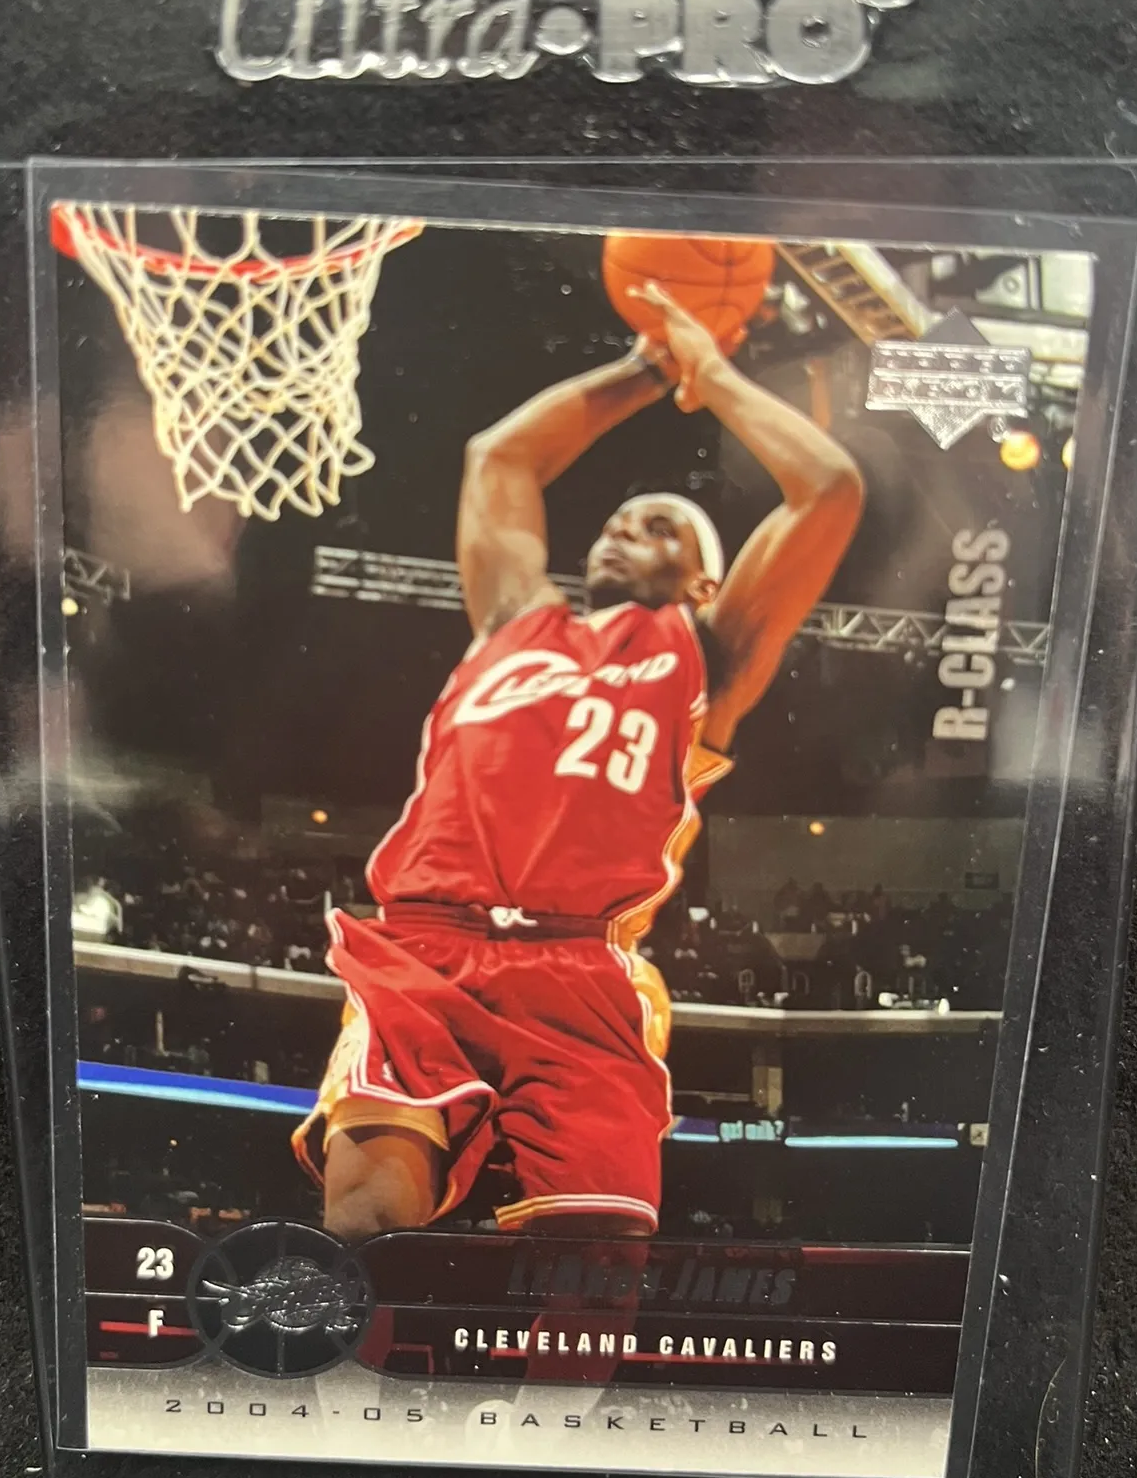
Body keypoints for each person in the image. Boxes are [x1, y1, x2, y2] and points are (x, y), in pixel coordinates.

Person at [292, 286, 864, 1240]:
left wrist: (710, 372)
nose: (622, 528)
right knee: (367, 1227)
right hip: (423, 947)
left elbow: (829, 490)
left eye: (660, 525)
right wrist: (645, 367)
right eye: (618, 518)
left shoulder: (707, 658)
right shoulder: (513, 624)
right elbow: (500, 456)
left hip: (578, 968)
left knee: (594, 1264)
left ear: (707, 581)